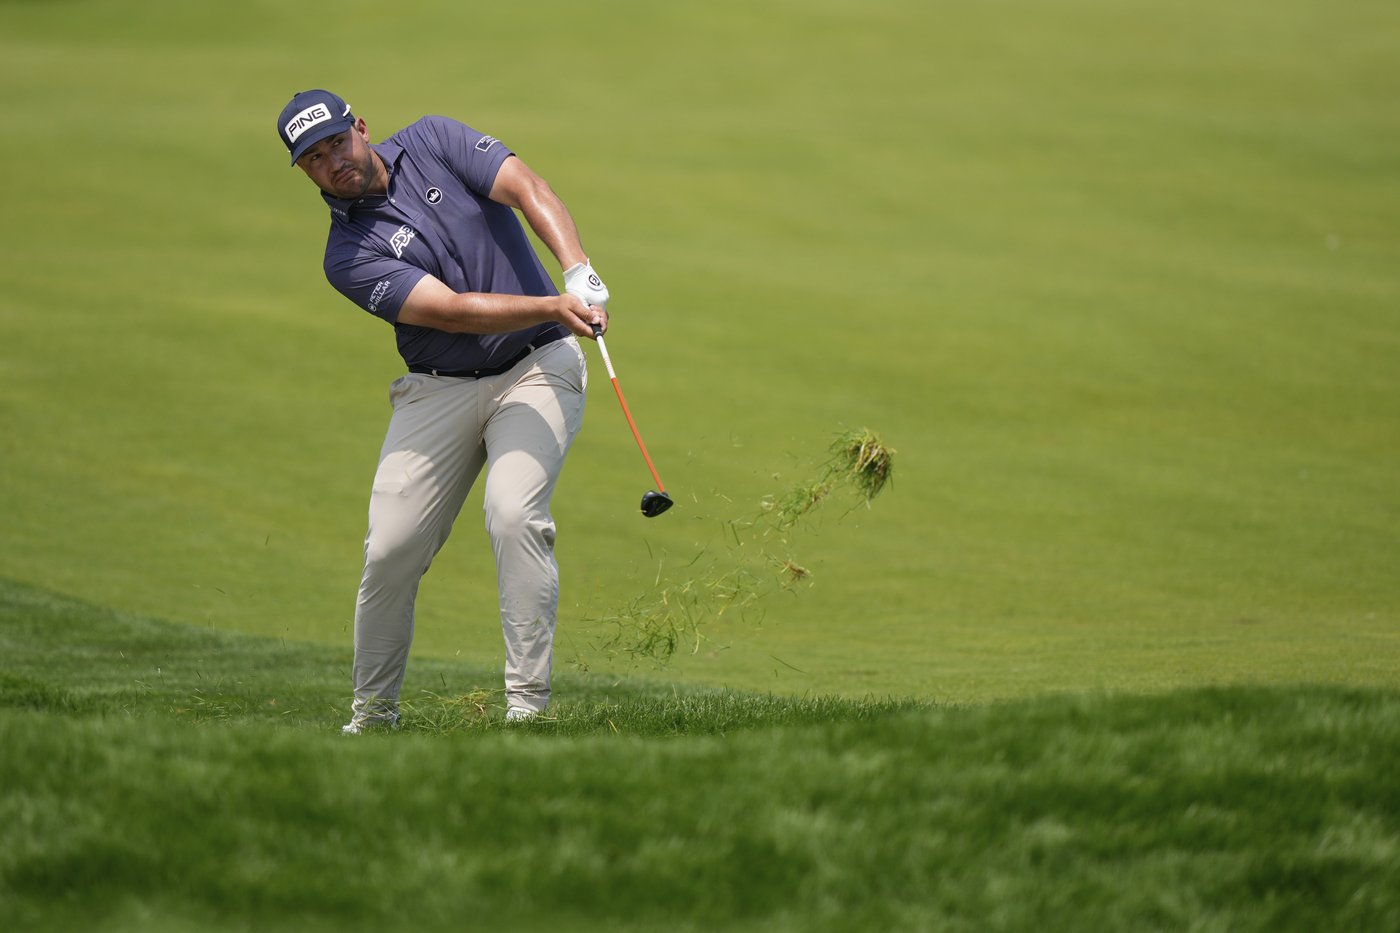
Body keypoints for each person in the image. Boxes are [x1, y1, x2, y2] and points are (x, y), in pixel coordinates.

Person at [275, 89, 611, 733]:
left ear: (361, 128)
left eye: (336, 142)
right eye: (314, 158)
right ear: (305, 171)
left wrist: (577, 272)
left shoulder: (435, 139)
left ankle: (526, 711)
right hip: (439, 387)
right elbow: (450, 310)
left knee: (514, 513)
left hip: (538, 365)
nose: (333, 162)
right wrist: (548, 303)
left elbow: (528, 187)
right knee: (390, 549)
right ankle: (372, 716)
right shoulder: (346, 256)